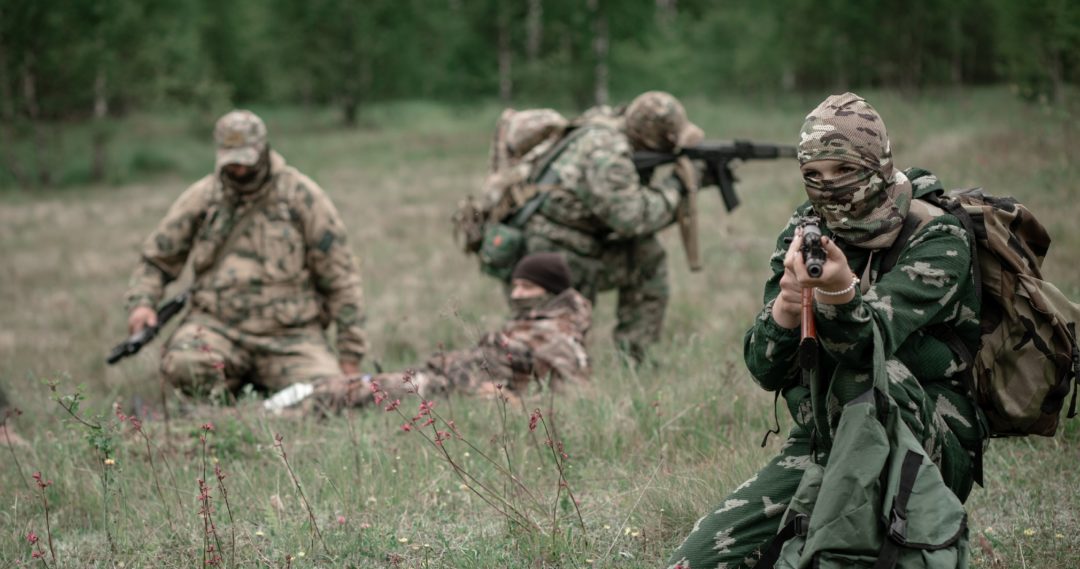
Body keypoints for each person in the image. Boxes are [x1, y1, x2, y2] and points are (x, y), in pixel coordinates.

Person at [658, 92, 983, 569]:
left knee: (868, 377)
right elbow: (765, 367)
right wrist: (788, 305)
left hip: (924, 437)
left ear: (878, 164)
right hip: (824, 439)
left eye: (844, 168)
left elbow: (867, 347)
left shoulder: (937, 235)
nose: (829, 185)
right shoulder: (806, 228)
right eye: (814, 172)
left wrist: (836, 294)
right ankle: (811, 557)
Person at [124, 110, 366, 398]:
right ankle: (235, 394)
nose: (239, 171)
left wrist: (350, 357)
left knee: (327, 392)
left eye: (246, 161)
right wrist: (142, 303)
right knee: (183, 366)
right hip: (216, 328)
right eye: (232, 162)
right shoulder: (203, 198)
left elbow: (341, 277)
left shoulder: (301, 197)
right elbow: (157, 259)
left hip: (291, 335)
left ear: (263, 149)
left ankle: (263, 391)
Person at [519, 91, 704, 364]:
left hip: (575, 241)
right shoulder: (607, 155)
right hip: (558, 250)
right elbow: (633, 219)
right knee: (550, 349)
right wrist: (676, 187)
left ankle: (634, 361)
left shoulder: (610, 125)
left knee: (647, 257)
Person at [307, 252, 591, 410]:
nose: (517, 295)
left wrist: (510, 401)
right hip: (447, 380)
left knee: (351, 392)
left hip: (452, 391)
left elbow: (571, 395)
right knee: (348, 386)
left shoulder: (559, 335)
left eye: (527, 287)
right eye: (515, 286)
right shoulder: (535, 321)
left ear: (550, 291)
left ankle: (278, 411)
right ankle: (287, 401)